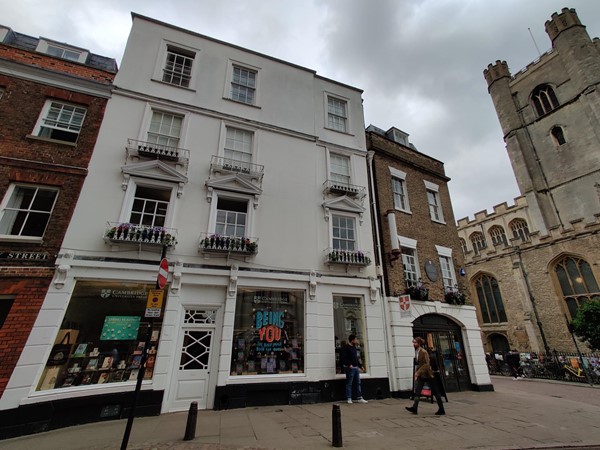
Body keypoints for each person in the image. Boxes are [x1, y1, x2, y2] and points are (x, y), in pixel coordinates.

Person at [405, 337, 445, 415]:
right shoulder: (417, 351)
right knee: (417, 391)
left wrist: (418, 372)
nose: (413, 344)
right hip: (422, 375)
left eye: (415, 342)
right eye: (413, 342)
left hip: (428, 375)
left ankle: (441, 409)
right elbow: (420, 363)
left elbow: (427, 364)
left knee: (436, 392)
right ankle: (414, 408)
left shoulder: (423, 352)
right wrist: (417, 372)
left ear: (419, 343)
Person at [340, 334, 368, 404]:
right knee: (349, 383)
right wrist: (349, 365)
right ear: (352, 340)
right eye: (355, 339)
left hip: (355, 368)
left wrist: (360, 366)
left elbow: (356, 358)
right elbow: (344, 358)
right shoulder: (346, 348)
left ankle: (359, 397)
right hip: (350, 368)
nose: (356, 341)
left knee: (358, 383)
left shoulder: (354, 347)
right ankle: (349, 398)